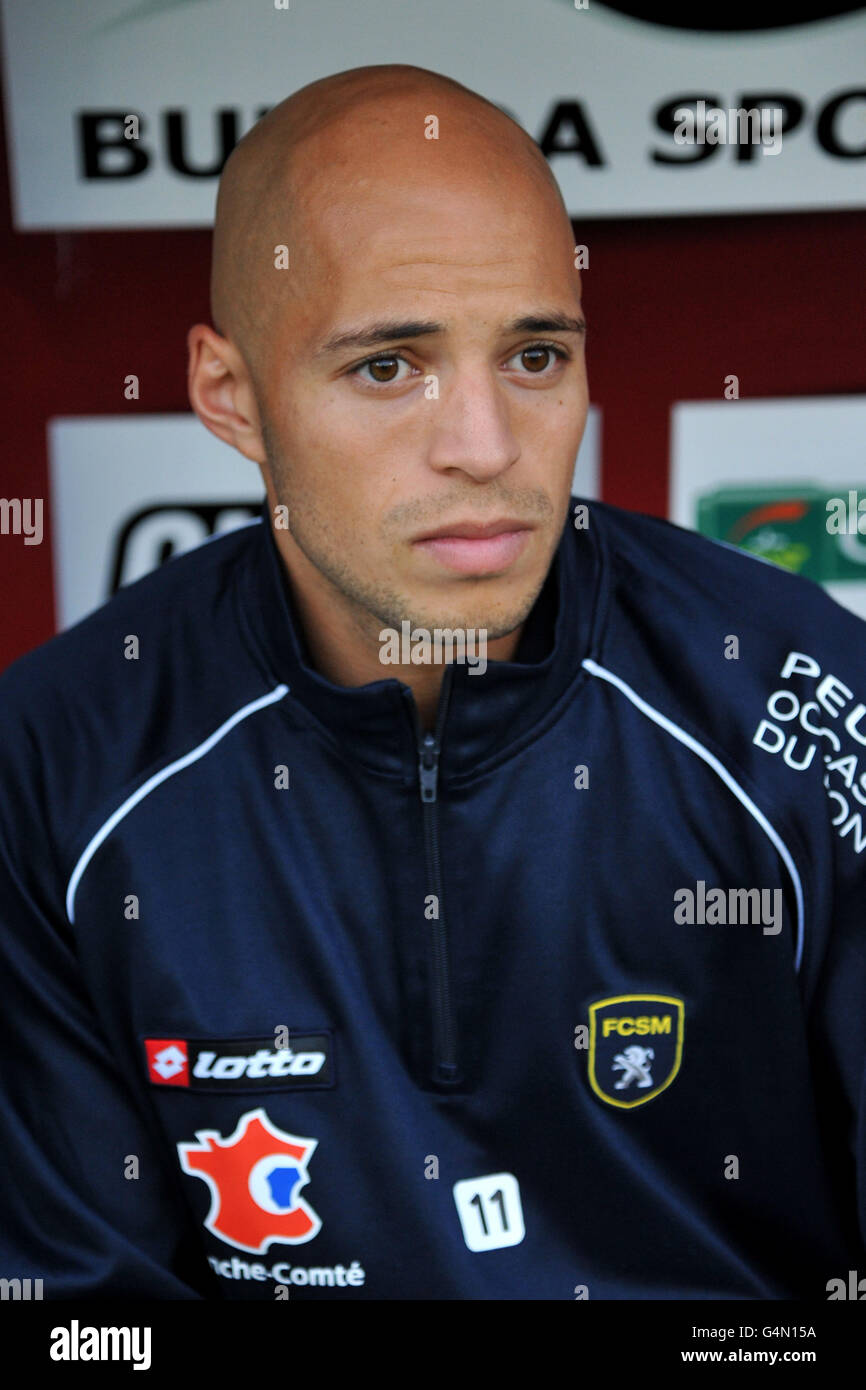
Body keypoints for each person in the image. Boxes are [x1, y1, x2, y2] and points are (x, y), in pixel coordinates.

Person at [1, 62, 864, 1301]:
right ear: (228, 393)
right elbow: (84, 1322)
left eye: (530, 355)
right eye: (387, 367)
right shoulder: (53, 766)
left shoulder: (797, 699)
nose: (484, 448)